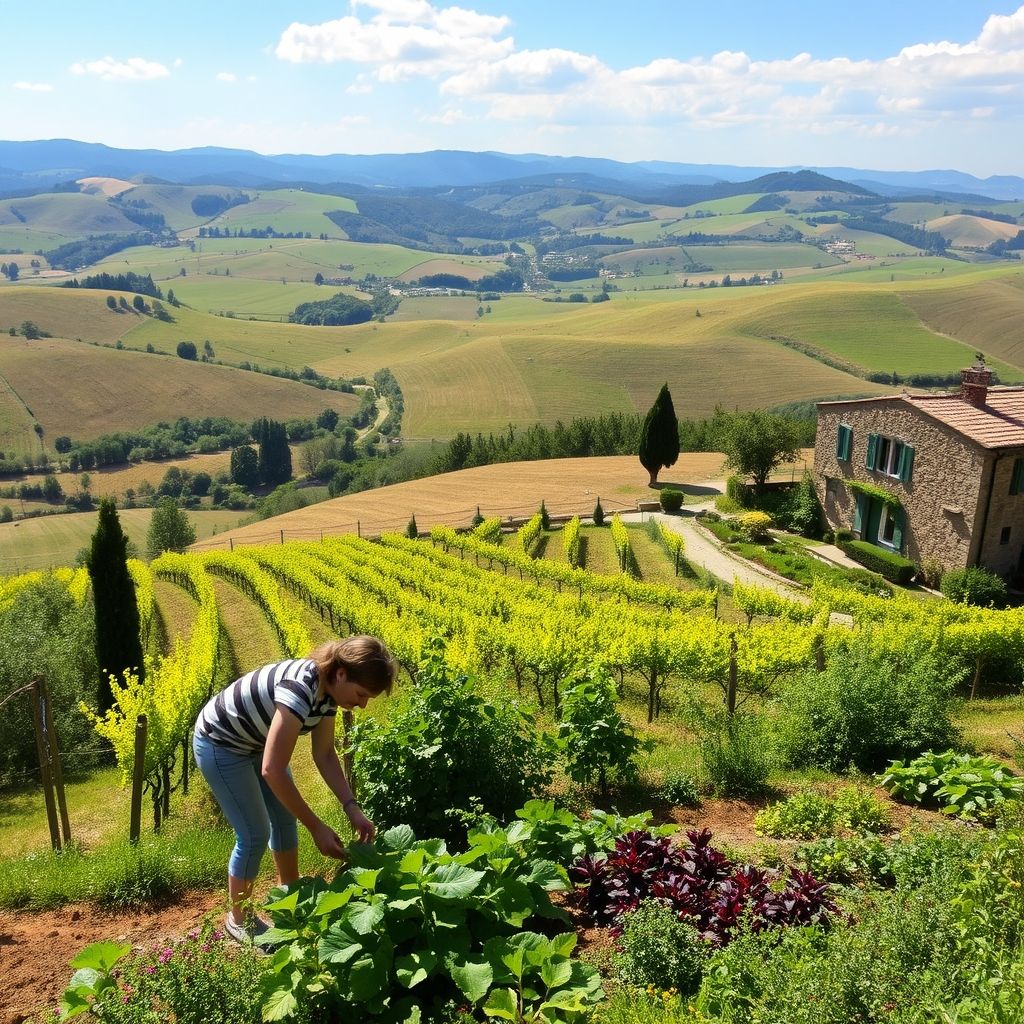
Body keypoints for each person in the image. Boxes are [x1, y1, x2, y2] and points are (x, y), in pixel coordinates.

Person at [192, 635, 397, 942]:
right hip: (221, 743)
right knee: (254, 833)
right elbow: (272, 770)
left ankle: (290, 895)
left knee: (285, 819)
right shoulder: (301, 689)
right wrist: (316, 826)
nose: (363, 704)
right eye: (361, 694)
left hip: (256, 745)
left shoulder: (329, 694)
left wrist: (351, 807)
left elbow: (325, 754)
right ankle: (239, 920)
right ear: (341, 673)